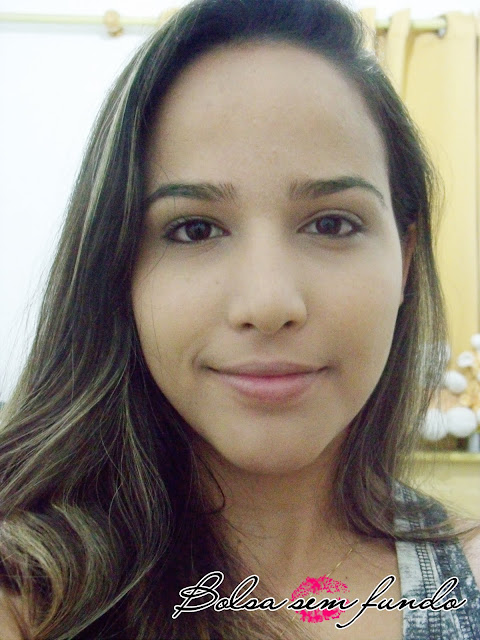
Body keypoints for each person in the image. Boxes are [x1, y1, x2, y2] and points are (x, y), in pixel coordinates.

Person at [0, 0, 479, 638]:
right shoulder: (30, 594)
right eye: (194, 229)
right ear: (116, 269)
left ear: (405, 258)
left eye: (332, 223)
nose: (268, 304)